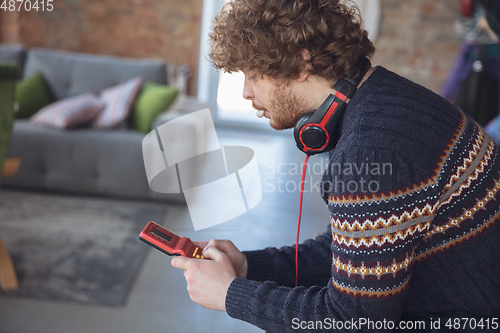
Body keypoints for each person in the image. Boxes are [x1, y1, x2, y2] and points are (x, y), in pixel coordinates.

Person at [171, 0, 500, 332]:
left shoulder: (371, 149)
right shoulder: (387, 98)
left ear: (302, 61)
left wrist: (230, 293)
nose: (246, 92)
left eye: (254, 75)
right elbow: (351, 251)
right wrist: (247, 267)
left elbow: (352, 321)